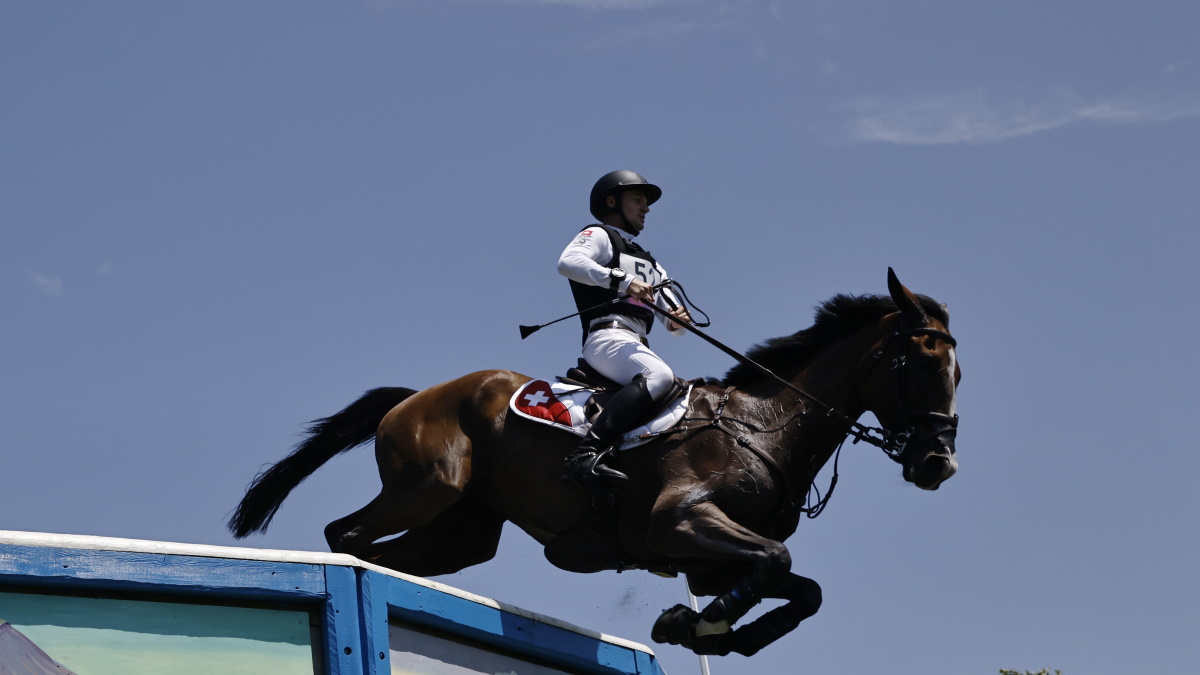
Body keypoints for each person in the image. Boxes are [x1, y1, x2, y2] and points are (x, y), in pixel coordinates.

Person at [556, 170, 691, 489]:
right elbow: (568, 263)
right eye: (638, 200)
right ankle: (584, 455)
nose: (646, 208)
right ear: (612, 202)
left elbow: (672, 322)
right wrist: (625, 281)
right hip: (606, 338)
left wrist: (677, 321)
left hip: (636, 342)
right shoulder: (599, 235)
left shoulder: (653, 264)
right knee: (658, 376)